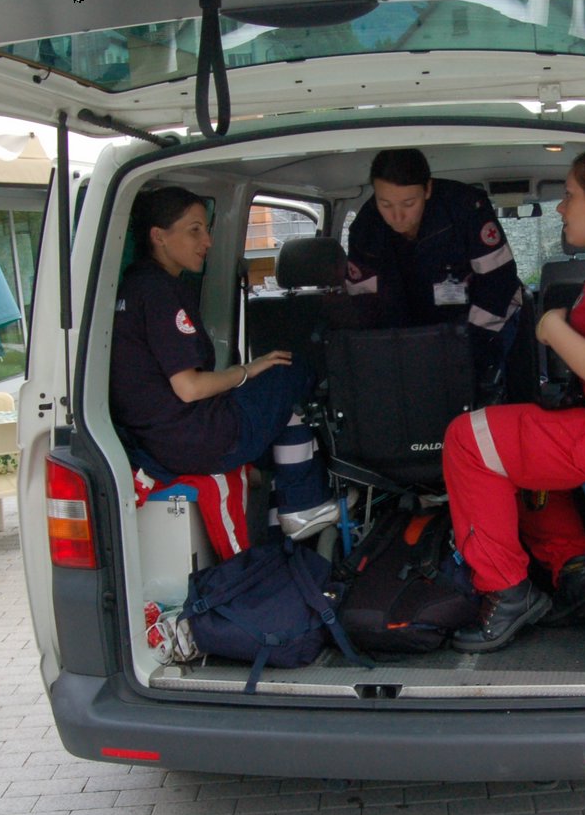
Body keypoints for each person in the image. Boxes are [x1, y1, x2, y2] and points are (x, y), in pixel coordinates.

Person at [441, 148, 585, 652]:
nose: (561, 208)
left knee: (467, 439)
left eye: (569, 196)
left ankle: (506, 592)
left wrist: (553, 327)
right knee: (516, 449)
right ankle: (577, 577)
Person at [110, 186, 339, 540]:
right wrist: (248, 370)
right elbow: (189, 388)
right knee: (292, 373)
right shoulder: (161, 294)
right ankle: (301, 504)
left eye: (207, 229)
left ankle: (278, 505)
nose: (208, 241)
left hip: (154, 441)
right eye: (194, 230)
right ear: (158, 236)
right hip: (195, 441)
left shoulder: (130, 287)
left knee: (271, 393)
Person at [345, 148, 524, 392]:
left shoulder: (466, 210)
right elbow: (365, 302)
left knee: (479, 383)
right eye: (385, 204)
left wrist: (465, 343)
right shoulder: (366, 228)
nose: (397, 216)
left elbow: (498, 283)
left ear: (427, 190)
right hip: (413, 327)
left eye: (409, 203)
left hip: (485, 317)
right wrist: (395, 349)